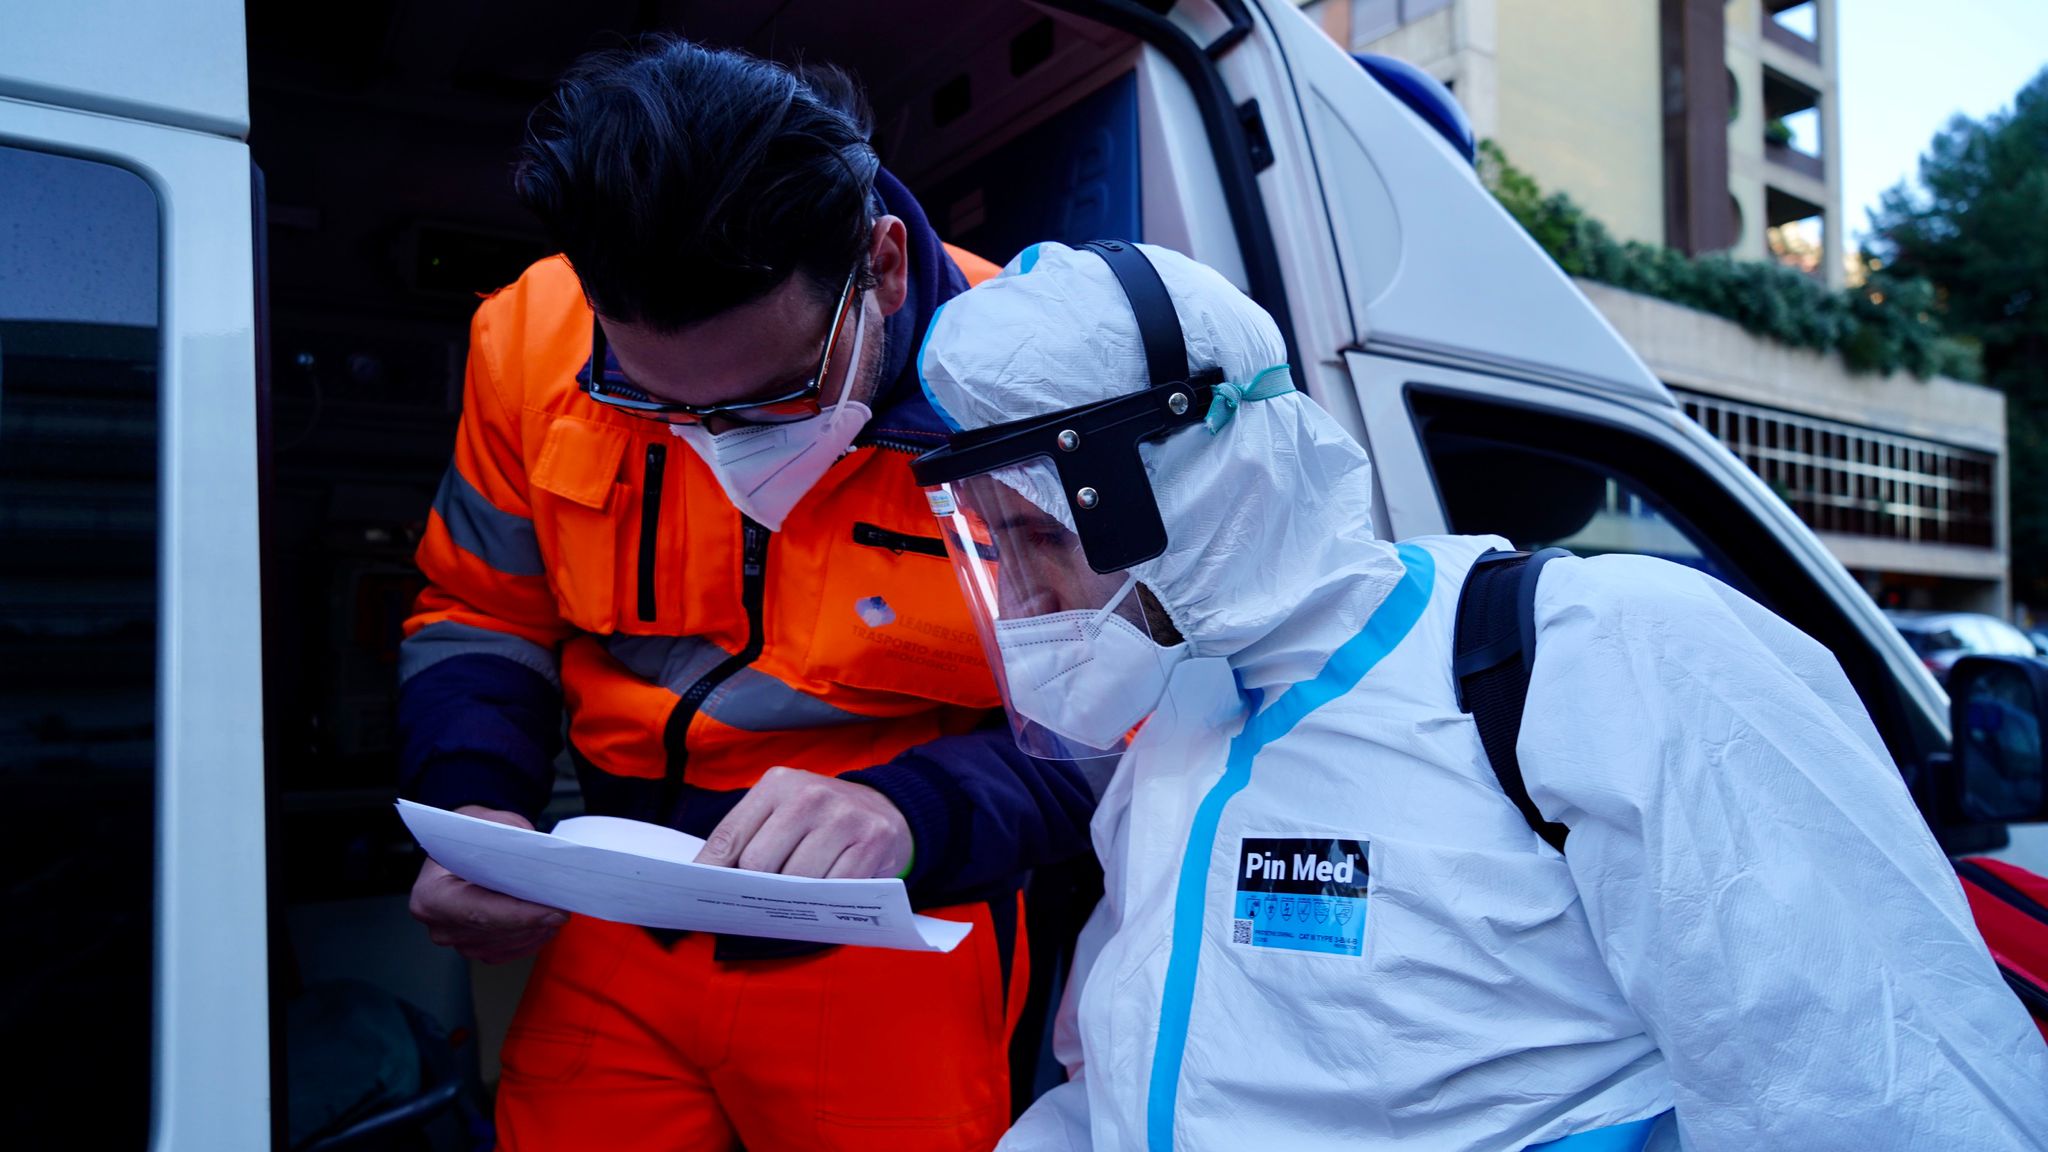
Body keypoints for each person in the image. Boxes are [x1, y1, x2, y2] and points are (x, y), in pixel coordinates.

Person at [906, 239, 2048, 1150]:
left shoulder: (1592, 658)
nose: (1027, 596)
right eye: (995, 546)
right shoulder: (1178, 739)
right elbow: (1118, 1086)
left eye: (1042, 537)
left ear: (1187, 481)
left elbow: (1870, 1093)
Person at [396, 40, 1097, 1152]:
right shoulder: (528, 337)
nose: (714, 443)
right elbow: (478, 612)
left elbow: (1123, 727)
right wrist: (477, 807)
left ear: (881, 268)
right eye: (653, 404)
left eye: (774, 399)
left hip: (902, 923)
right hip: (610, 910)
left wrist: (911, 811)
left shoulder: (1041, 390)